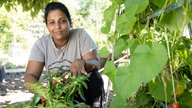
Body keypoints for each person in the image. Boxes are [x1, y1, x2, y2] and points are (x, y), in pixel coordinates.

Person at [24, 1, 104, 107]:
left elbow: (96, 64)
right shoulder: (41, 45)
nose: (57, 26)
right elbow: (30, 75)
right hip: (56, 93)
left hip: (79, 90)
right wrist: (45, 93)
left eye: (62, 21)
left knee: (95, 77)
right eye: (52, 22)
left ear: (70, 22)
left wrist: (82, 62)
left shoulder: (80, 35)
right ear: (47, 26)